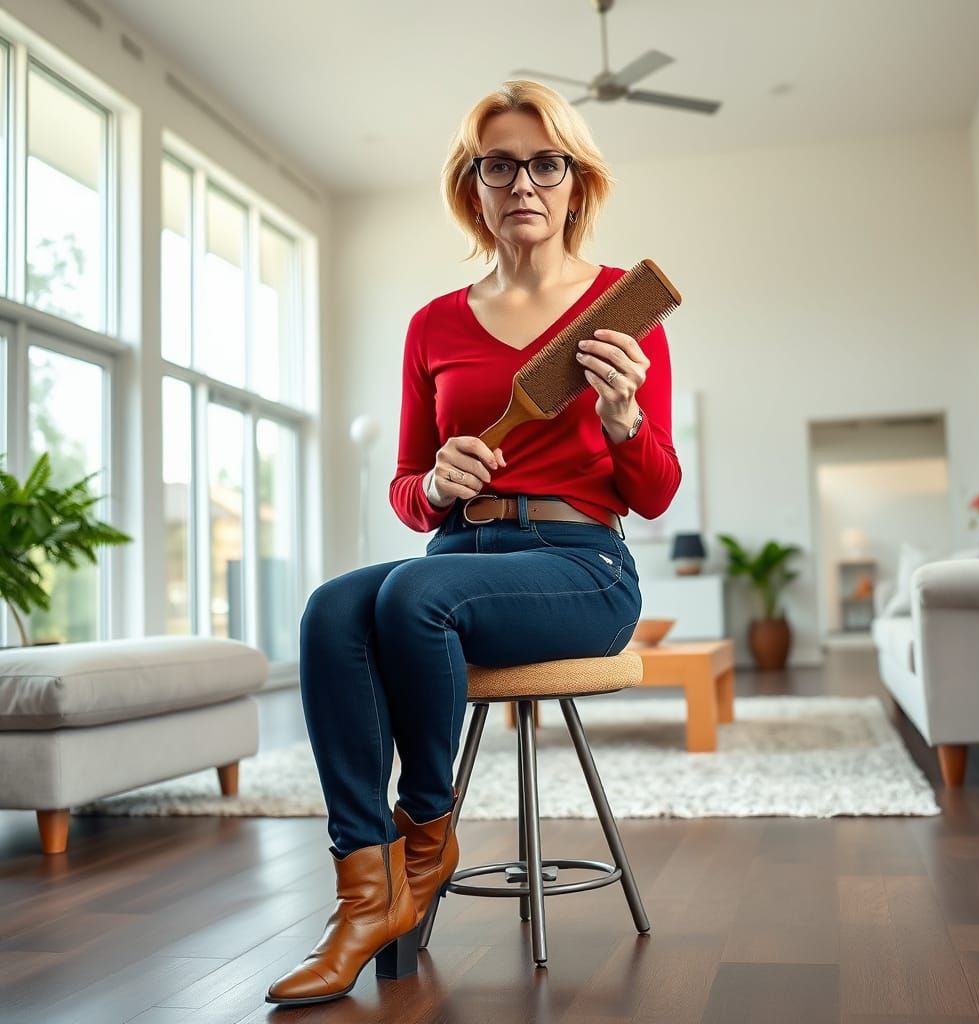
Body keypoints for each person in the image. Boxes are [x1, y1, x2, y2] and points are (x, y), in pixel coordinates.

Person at [266, 80, 681, 1006]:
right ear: (474, 184)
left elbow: (652, 494)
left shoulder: (618, 307)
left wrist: (622, 417)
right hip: (458, 556)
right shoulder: (434, 324)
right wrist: (436, 483)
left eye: (545, 162)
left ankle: (428, 835)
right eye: (500, 164)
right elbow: (409, 491)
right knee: (333, 606)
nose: (523, 182)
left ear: (576, 181)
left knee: (414, 596)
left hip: (581, 565)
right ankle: (365, 889)